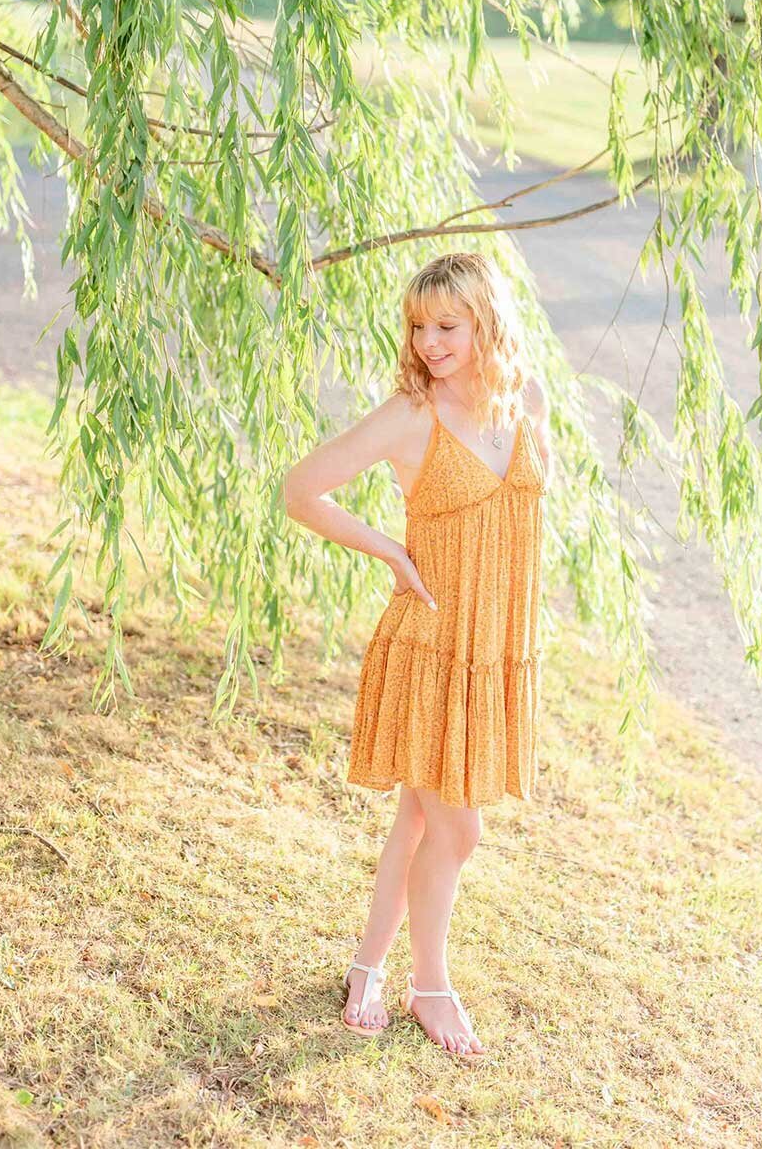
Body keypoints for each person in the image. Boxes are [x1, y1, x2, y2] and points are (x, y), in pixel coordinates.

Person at [282, 251, 553, 1059]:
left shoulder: (529, 397)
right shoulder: (411, 414)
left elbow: (535, 509)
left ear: (485, 321)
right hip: (433, 644)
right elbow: (302, 488)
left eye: (447, 325)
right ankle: (430, 983)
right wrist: (392, 554)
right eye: (418, 326)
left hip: (494, 645)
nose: (429, 342)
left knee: (420, 815)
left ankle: (367, 966)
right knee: (457, 829)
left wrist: (517, 621)